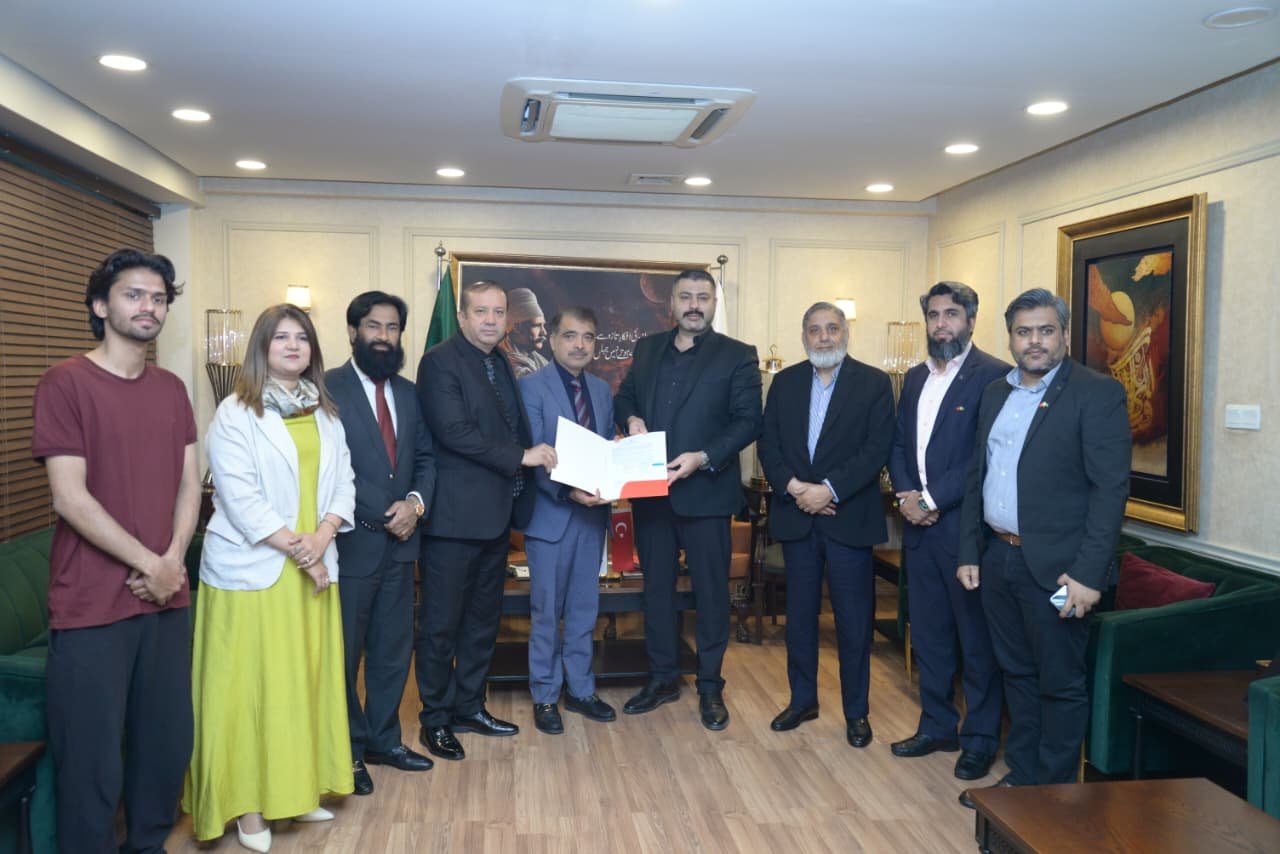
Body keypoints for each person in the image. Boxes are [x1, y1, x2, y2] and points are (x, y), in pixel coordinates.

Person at [32, 248, 200, 854]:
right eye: (134, 295)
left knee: (165, 748)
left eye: (158, 298)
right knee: (91, 764)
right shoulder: (65, 382)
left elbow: (189, 484)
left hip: (166, 598)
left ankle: (147, 846)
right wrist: (150, 563)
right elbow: (69, 498)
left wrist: (173, 560)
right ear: (101, 306)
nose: (149, 306)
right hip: (90, 607)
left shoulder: (172, 388)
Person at [184, 304, 356, 851]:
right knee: (249, 690)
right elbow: (239, 498)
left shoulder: (324, 411)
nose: (292, 346)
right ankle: (249, 807)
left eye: (302, 337)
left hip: (312, 568)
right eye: (281, 337)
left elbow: (345, 482)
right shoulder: (236, 412)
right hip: (256, 571)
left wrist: (323, 535)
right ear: (261, 348)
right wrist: (304, 552)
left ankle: (296, 790)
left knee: (301, 684)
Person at [956, 288, 1130, 807]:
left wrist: (1089, 574)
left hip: (1061, 571)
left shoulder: (1097, 393)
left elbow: (1110, 491)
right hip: (999, 558)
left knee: (1059, 682)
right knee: (1017, 673)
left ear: (1065, 335)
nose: (1034, 341)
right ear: (1010, 338)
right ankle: (1023, 776)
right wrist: (970, 550)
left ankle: (1053, 797)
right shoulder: (995, 393)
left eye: (1045, 330)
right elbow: (977, 476)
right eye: (1023, 331)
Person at [414, 280, 557, 760]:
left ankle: (469, 706)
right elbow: (454, 433)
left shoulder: (499, 362)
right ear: (462, 316)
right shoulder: (439, 362)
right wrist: (523, 456)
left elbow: (512, 426)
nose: (492, 320)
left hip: (495, 518)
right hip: (453, 522)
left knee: (481, 623)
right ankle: (435, 719)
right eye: (481, 311)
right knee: (440, 627)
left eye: (499, 312)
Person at [613, 269, 762, 730]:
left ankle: (710, 686)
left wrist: (703, 457)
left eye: (703, 297)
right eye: (686, 296)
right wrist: (631, 419)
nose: (694, 304)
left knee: (711, 595)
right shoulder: (647, 349)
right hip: (652, 496)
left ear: (713, 303)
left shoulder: (738, 355)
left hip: (707, 494)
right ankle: (663, 678)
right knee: (656, 592)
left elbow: (748, 421)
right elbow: (624, 398)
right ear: (671, 303)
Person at [887, 282, 1010, 780]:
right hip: (918, 530)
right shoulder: (916, 376)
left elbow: (984, 455)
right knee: (930, 636)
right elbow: (898, 443)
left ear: (971, 321)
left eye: (951, 314)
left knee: (975, 642)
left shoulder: (995, 376)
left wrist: (931, 500)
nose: (941, 324)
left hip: (965, 532)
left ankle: (979, 739)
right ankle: (937, 725)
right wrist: (905, 496)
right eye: (934, 315)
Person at [756, 302, 893, 748]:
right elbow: (768, 443)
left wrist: (829, 490)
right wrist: (796, 488)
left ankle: (856, 713)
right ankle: (802, 701)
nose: (824, 337)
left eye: (832, 328)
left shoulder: (873, 383)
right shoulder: (785, 383)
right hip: (797, 517)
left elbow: (877, 448)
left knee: (853, 622)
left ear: (845, 333)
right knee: (799, 619)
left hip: (848, 519)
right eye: (814, 330)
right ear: (804, 337)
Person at [326, 292, 436, 796]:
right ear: (353, 331)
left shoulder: (410, 394)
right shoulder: (326, 388)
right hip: (351, 545)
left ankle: (384, 741)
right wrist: (387, 510)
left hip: (402, 545)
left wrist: (414, 503)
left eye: (392, 328)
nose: (384, 337)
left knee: (393, 651)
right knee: (345, 655)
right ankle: (348, 750)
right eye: (374, 326)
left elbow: (426, 459)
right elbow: (331, 467)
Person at [518, 307, 617, 734]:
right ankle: (545, 695)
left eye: (588, 337)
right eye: (571, 336)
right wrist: (566, 491)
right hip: (551, 515)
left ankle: (580, 689)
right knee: (546, 612)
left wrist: (612, 478)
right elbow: (532, 452)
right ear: (554, 340)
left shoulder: (602, 390)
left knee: (583, 610)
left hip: (591, 518)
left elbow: (605, 450)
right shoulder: (531, 386)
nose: (580, 345)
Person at [501, 287, 550, 378]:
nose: (544, 332)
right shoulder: (512, 367)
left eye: (543, 325)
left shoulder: (534, 358)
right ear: (517, 328)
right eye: (537, 326)